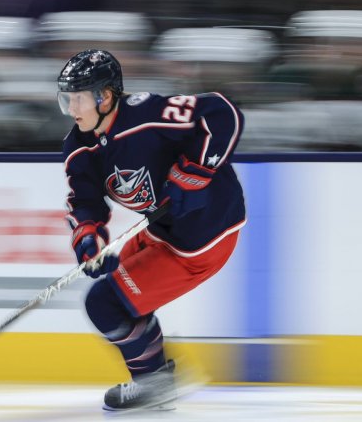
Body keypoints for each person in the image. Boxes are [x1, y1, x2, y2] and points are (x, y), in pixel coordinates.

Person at [57, 49, 246, 411]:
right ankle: (158, 378)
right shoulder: (78, 145)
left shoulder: (147, 114)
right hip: (162, 231)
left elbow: (223, 112)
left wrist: (197, 172)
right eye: (67, 98)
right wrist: (88, 237)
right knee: (117, 297)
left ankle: (154, 383)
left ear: (106, 96)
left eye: (79, 98)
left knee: (104, 303)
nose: (71, 108)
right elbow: (84, 201)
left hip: (202, 239)